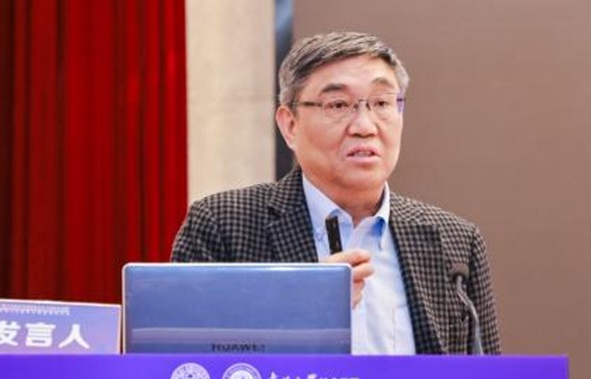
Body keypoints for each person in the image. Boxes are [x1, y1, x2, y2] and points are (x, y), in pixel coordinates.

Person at [172, 31, 501, 355]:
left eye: (382, 103)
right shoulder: (224, 225)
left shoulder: (456, 241)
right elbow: (179, 363)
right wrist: (298, 309)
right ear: (290, 125)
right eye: (339, 104)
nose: (365, 126)